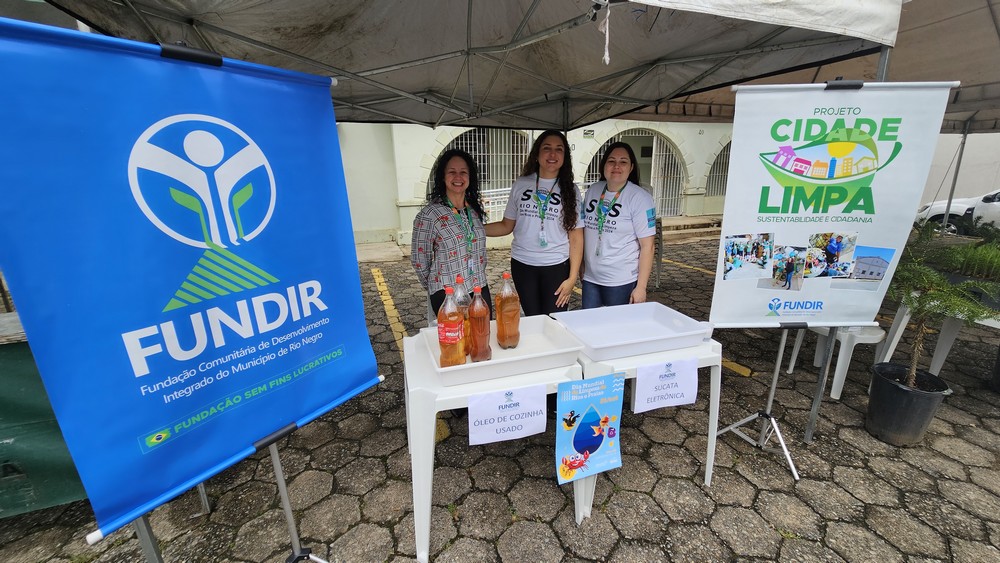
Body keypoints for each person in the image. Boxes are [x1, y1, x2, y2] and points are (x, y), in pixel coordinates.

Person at [485, 130, 582, 316]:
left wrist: (572, 278)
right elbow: (507, 225)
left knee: (554, 319)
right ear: (537, 154)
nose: (552, 154)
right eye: (547, 148)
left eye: (559, 149)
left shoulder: (571, 190)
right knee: (533, 318)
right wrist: (475, 228)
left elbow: (576, 236)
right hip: (523, 265)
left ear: (565, 157)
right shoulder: (521, 184)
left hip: (556, 265)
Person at [411, 149, 492, 316]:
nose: (458, 177)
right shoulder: (430, 215)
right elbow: (419, 260)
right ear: (443, 176)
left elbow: (480, 252)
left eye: (463, 172)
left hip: (478, 286)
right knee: (457, 334)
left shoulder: (474, 210)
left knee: (483, 331)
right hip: (448, 292)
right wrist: (435, 287)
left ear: (470, 177)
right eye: (452, 172)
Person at [580, 142, 656, 308]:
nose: (616, 166)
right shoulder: (593, 190)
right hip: (591, 278)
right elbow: (584, 232)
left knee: (616, 324)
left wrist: (641, 287)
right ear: (603, 165)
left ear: (631, 167)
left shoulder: (640, 198)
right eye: (611, 161)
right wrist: (582, 266)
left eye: (623, 162)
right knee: (589, 322)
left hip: (621, 281)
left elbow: (648, 246)